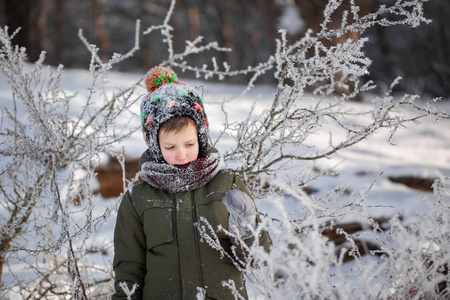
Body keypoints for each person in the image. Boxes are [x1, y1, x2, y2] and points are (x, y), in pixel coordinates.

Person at [112, 66, 270, 300]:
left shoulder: (227, 183)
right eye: (170, 147)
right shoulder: (138, 199)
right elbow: (129, 270)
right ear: (155, 146)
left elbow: (256, 259)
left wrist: (248, 230)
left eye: (189, 144)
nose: (181, 155)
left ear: (201, 137)